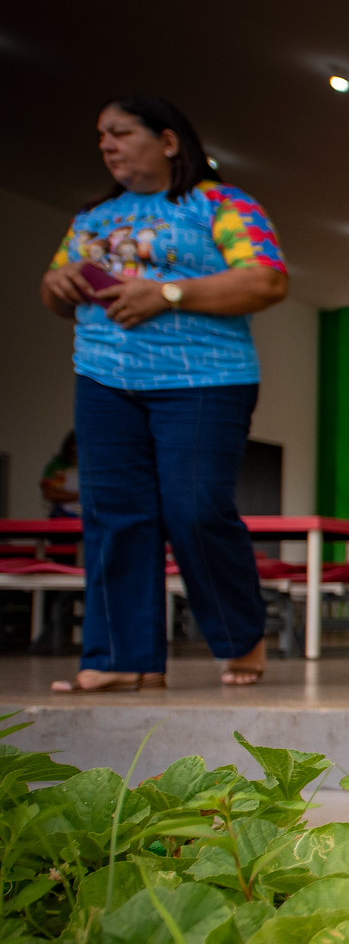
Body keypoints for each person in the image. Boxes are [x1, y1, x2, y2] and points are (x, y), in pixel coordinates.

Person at [38, 96, 288, 691]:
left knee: (195, 509)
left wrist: (167, 293)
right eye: (102, 135)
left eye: (122, 132)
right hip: (104, 378)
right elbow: (54, 291)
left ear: (169, 141)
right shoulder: (92, 218)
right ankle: (124, 658)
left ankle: (241, 636)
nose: (107, 144)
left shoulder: (221, 204)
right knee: (113, 515)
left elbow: (267, 277)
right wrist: (56, 282)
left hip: (205, 378)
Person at [40, 432, 81, 518]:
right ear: (71, 446)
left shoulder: (92, 467)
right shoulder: (56, 466)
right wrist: (80, 496)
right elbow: (49, 493)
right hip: (62, 516)